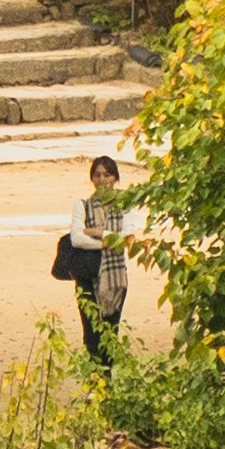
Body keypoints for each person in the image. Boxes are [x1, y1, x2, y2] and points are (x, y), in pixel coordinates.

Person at [68, 156, 132, 366]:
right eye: (97, 175)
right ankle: (96, 383)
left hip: (115, 279)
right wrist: (108, 242)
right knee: (91, 334)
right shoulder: (83, 206)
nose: (102, 179)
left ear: (115, 178)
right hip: (88, 277)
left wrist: (98, 232)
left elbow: (128, 237)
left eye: (107, 174)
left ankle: (108, 381)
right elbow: (77, 239)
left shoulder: (124, 205)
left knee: (111, 331)